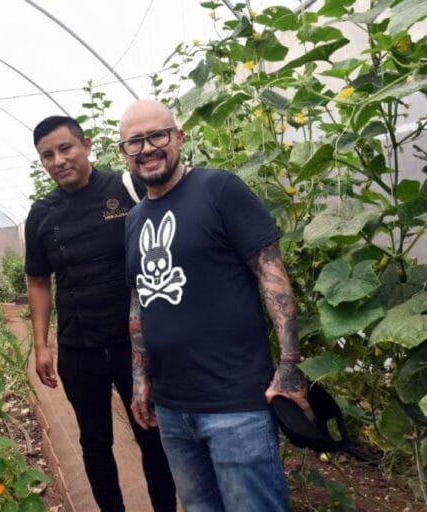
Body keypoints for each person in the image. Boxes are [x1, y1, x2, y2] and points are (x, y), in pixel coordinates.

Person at [119, 99, 308, 512]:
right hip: (172, 409)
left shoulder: (220, 189)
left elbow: (271, 273)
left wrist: (290, 364)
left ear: (179, 137)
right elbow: (139, 299)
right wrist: (140, 377)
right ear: (124, 153)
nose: (147, 148)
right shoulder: (135, 220)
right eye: (135, 141)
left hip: (236, 404)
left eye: (158, 135)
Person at [24, 115, 177, 512]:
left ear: (87, 145)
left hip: (135, 345)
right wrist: (41, 345)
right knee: (94, 442)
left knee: (151, 435)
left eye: (65, 148)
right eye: (47, 155)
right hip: (79, 347)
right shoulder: (42, 213)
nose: (58, 160)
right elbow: (38, 279)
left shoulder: (127, 188)